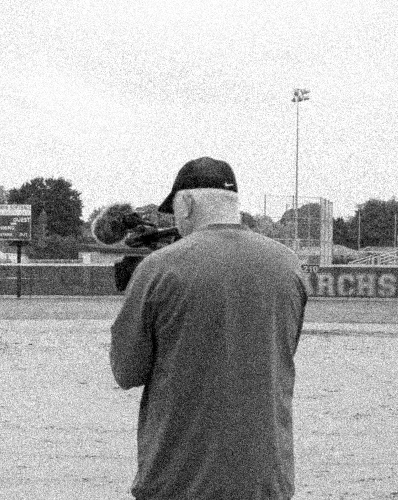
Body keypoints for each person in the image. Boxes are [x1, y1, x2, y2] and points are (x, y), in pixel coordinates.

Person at [110, 157, 308, 499]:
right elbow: (282, 351)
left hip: (179, 480)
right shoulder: (288, 264)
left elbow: (127, 371)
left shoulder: (158, 268)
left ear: (186, 204)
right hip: (266, 480)